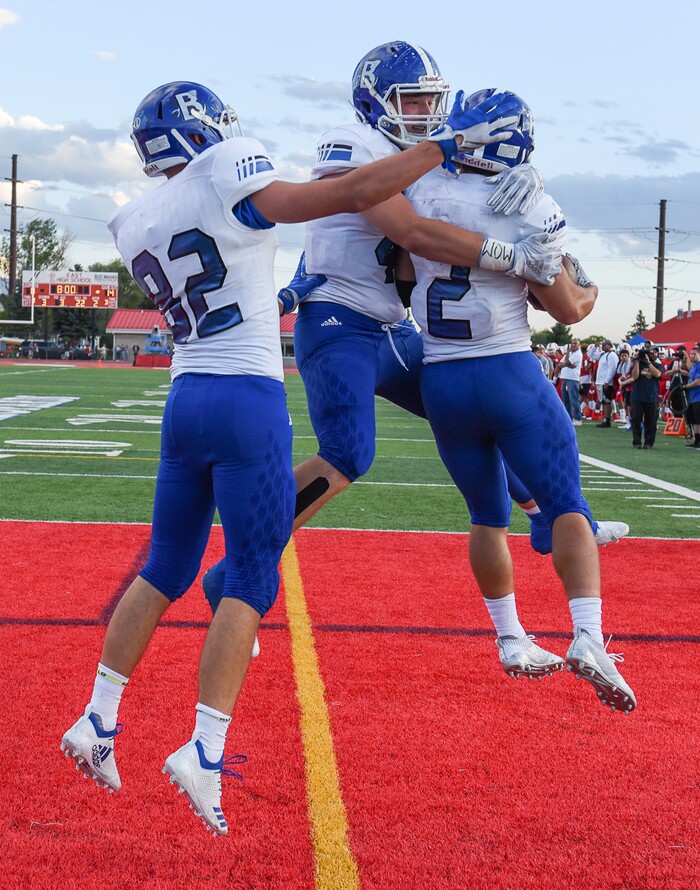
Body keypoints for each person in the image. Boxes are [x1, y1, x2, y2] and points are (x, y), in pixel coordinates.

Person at [59, 78, 521, 835]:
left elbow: (222, 275)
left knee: (164, 566)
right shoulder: (230, 162)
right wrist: (443, 145)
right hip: (245, 400)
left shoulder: (134, 217)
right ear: (201, 128)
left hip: (187, 396)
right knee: (248, 572)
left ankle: (98, 720)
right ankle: (204, 753)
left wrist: (291, 286)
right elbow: (343, 194)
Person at [202, 44, 627, 660]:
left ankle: (548, 517)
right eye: (415, 101)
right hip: (342, 326)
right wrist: (512, 249)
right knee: (349, 454)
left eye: (433, 100)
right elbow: (411, 231)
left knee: (474, 412)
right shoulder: (349, 142)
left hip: (389, 329)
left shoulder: (409, 156)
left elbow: (432, 201)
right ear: (375, 101)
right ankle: (234, 572)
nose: (429, 114)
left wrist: (511, 173)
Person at [402, 88, 635, 712]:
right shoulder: (529, 200)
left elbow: (400, 272)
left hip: (442, 376)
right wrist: (581, 279)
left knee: (487, 515)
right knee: (567, 504)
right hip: (506, 368)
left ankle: (510, 638)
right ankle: (588, 636)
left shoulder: (418, 189)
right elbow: (566, 306)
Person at [629, 346, 663, 449]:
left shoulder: (657, 365)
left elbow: (658, 374)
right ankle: (637, 442)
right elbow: (634, 376)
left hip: (651, 397)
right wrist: (637, 362)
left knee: (651, 422)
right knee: (636, 420)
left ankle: (649, 443)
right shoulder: (637, 364)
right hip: (637, 397)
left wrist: (649, 363)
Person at [557, 338, 583, 425]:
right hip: (565, 378)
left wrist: (567, 358)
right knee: (566, 399)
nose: (573, 345)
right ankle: (569, 417)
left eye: (575, 343)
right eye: (572, 343)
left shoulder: (578, 354)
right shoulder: (570, 353)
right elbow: (560, 364)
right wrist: (567, 364)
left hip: (573, 379)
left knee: (574, 399)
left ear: (579, 345)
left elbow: (567, 362)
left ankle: (577, 418)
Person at [594, 339, 618, 427]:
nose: (603, 347)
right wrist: (594, 347)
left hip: (606, 382)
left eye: (605, 345)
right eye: (602, 345)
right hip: (600, 381)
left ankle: (607, 420)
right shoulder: (603, 355)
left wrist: (607, 381)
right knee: (603, 401)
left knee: (607, 401)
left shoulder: (612, 355)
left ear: (610, 345)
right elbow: (591, 355)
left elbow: (612, 369)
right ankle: (605, 419)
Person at [682, 346, 700, 448]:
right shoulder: (693, 367)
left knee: (698, 420)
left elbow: (698, 382)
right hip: (693, 398)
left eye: (694, 354)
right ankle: (697, 440)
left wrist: (685, 386)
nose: (692, 356)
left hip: (698, 397)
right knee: (694, 421)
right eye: (691, 354)